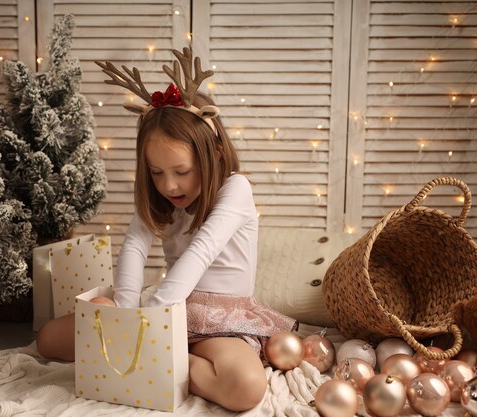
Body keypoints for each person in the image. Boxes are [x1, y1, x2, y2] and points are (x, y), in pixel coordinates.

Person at [37, 48, 298, 412]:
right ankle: (156, 354)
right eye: (156, 173)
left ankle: (162, 360)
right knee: (49, 340)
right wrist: (127, 314)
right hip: (168, 311)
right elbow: (133, 246)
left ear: (216, 154)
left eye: (181, 171)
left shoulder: (235, 188)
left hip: (217, 321)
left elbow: (201, 251)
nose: (169, 186)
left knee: (246, 387)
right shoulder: (163, 201)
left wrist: (153, 320)